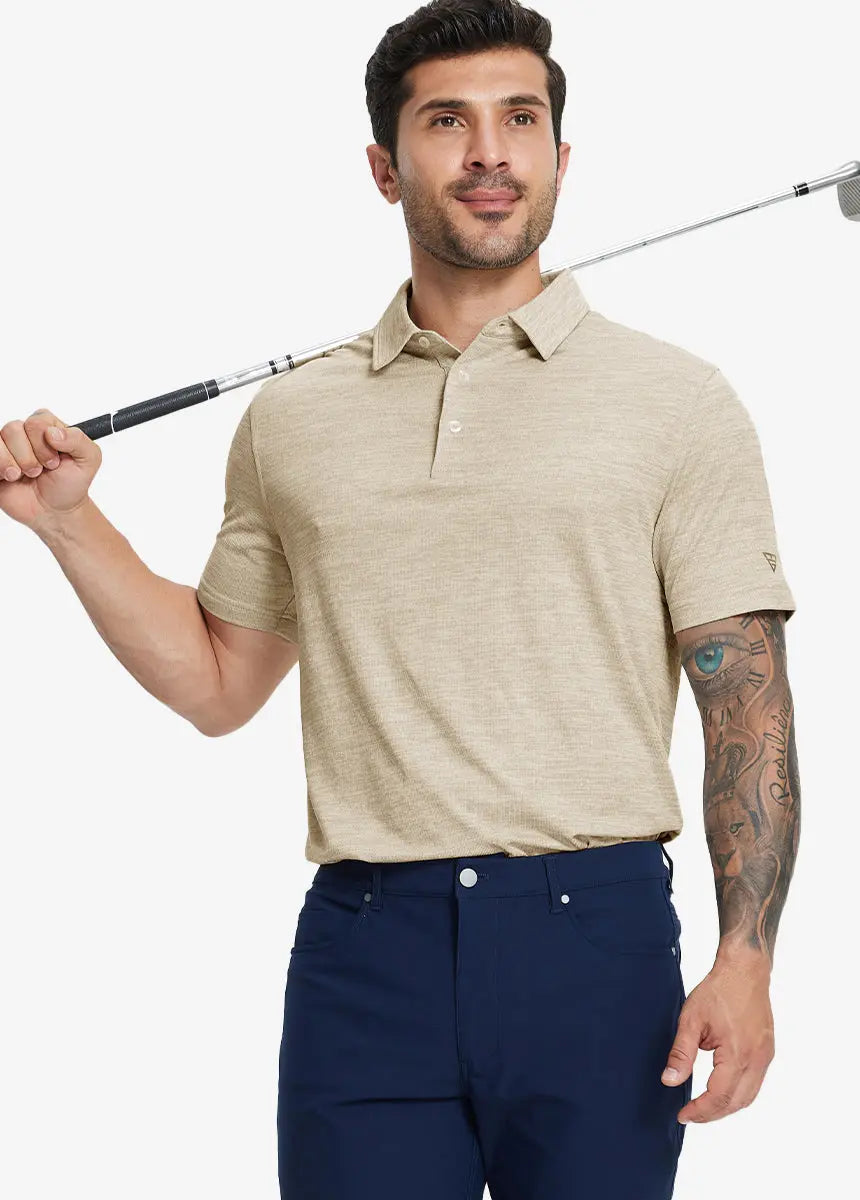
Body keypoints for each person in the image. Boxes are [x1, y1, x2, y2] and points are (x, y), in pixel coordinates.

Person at [0, 1, 801, 1196]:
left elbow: (747, 700)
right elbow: (217, 684)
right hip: (368, 951)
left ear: (560, 158)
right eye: (446, 122)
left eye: (518, 119)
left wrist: (747, 958)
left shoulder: (677, 402)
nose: (488, 152)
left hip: (595, 939)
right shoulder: (296, 418)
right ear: (385, 167)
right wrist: (70, 521)